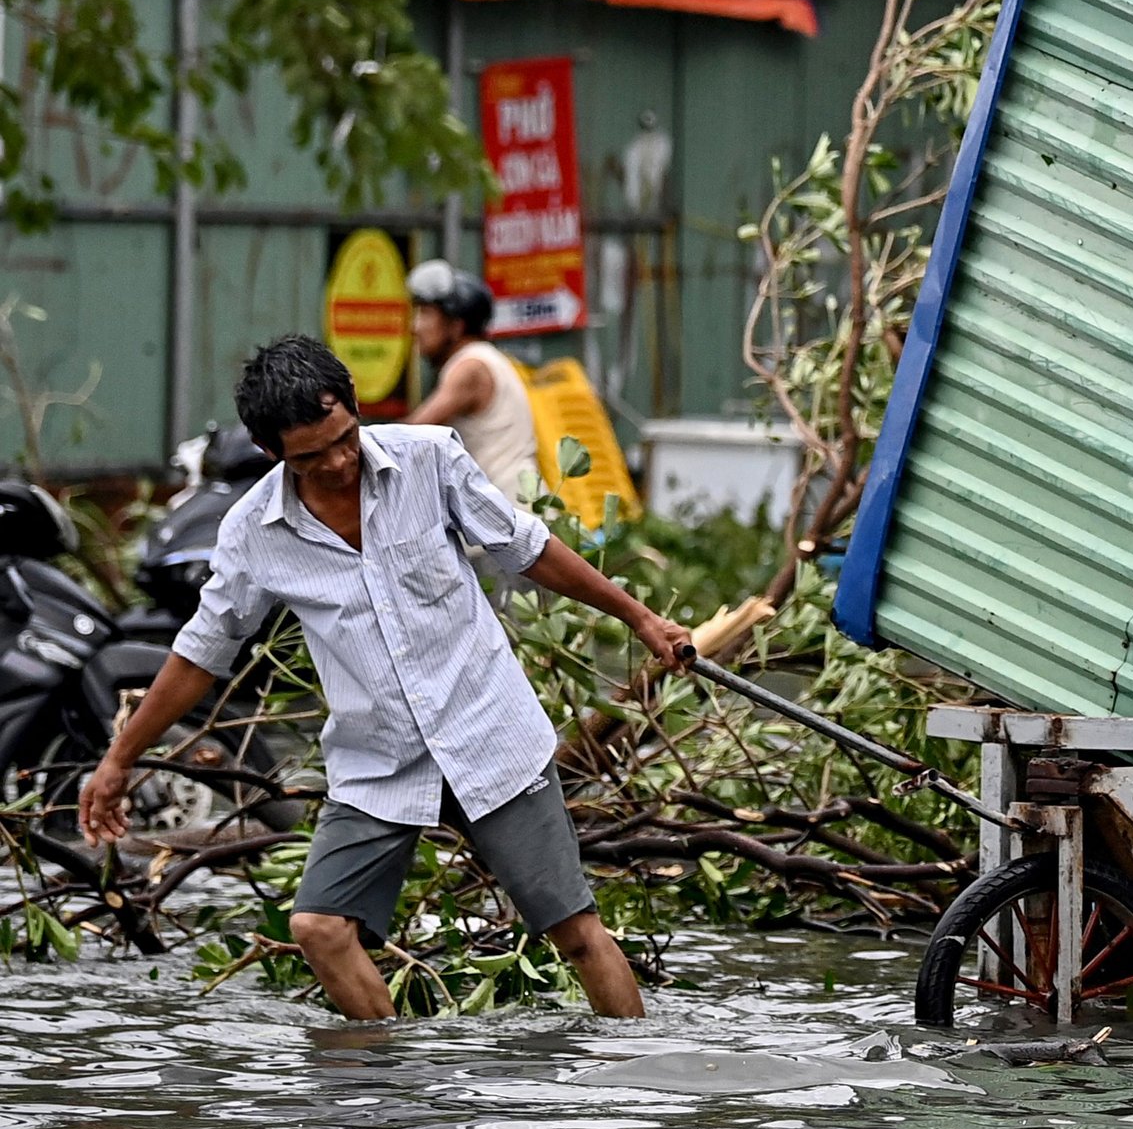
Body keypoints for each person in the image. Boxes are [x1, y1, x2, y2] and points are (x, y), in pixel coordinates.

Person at [80, 335, 693, 1021]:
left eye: (345, 438)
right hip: (379, 761)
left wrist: (640, 619)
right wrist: (119, 759)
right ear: (271, 452)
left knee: (574, 932)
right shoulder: (254, 531)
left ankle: (634, 1089)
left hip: (488, 734)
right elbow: (201, 654)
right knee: (319, 929)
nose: (340, 463)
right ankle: (392, 1096)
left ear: (354, 408)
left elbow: (528, 550)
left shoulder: (428, 459)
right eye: (312, 456)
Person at [405, 261, 541, 497]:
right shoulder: (483, 358)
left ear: (456, 326)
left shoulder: (471, 368)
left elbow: (412, 434)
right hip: (510, 503)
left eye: (426, 314)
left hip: (510, 509)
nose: (415, 327)